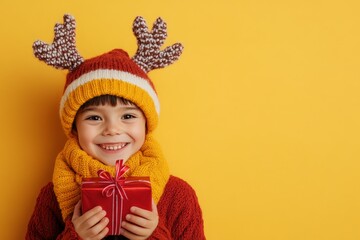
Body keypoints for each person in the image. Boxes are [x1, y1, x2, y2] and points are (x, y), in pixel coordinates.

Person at [26, 14, 205, 240]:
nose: (112, 129)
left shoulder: (178, 195)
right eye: (94, 118)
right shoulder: (52, 197)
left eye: (128, 115)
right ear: (74, 128)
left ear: (146, 124)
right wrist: (75, 235)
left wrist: (153, 234)